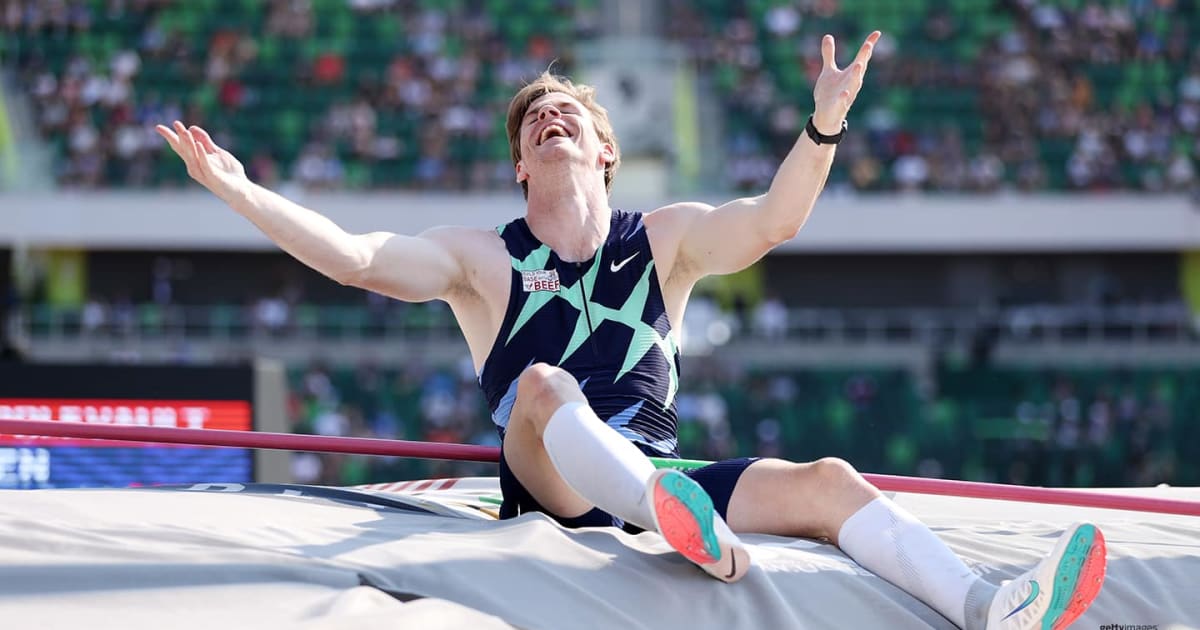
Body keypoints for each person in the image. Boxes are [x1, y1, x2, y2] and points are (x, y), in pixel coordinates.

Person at [156, 31, 1106, 630]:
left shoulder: (667, 240)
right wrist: (243, 194)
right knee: (542, 387)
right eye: (533, 122)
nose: (550, 119)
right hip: (558, 488)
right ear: (521, 169)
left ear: (605, 150)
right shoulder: (482, 259)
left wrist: (821, 129)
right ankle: (668, 515)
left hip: (662, 481)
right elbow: (356, 257)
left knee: (828, 483)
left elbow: (775, 220)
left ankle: (992, 609)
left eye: (566, 112)